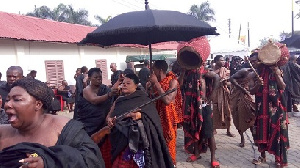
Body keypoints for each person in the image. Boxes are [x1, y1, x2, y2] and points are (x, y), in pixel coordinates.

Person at [0, 78, 105, 168]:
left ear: (38, 104)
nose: (8, 104)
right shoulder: (2, 133)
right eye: (7, 99)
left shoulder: (64, 129)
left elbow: (92, 160)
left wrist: (49, 162)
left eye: (17, 99)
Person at [106, 74, 174, 168]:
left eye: (128, 83)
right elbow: (108, 116)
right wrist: (109, 120)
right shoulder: (119, 100)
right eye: (123, 83)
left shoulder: (143, 99)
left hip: (137, 143)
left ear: (136, 85)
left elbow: (152, 118)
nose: (124, 85)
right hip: (119, 141)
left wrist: (139, 116)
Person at [248, 52, 289, 167]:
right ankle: (262, 156)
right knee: (261, 131)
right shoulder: (253, 74)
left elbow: (282, 86)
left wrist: (276, 73)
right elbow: (251, 91)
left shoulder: (275, 71)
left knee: (278, 131)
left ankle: (278, 158)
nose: (253, 63)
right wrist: (257, 85)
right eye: (251, 62)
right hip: (261, 108)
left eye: (254, 61)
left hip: (276, 108)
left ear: (261, 60)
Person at [147, 60, 182, 164]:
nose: (152, 73)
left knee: (169, 147)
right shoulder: (154, 83)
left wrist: (157, 84)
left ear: (160, 70)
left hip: (168, 120)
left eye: (154, 70)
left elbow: (167, 100)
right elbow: (151, 99)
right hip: (156, 118)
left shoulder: (173, 81)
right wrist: (149, 88)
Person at [229, 67, 256, 147]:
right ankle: (242, 139)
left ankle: (255, 139)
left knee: (251, 117)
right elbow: (231, 79)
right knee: (238, 116)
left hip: (248, 96)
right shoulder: (244, 71)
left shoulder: (258, 72)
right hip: (238, 95)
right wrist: (242, 89)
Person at [212, 55, 235, 137]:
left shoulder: (226, 70)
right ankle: (214, 129)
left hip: (224, 92)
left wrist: (225, 82)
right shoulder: (212, 71)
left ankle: (228, 130)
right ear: (216, 61)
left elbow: (231, 83)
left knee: (227, 110)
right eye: (221, 60)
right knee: (215, 110)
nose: (223, 61)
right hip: (215, 93)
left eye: (224, 60)